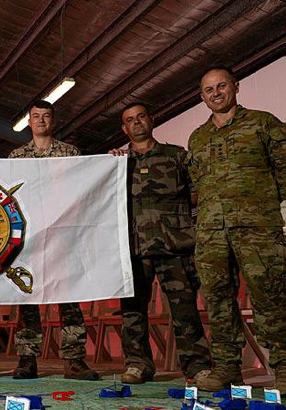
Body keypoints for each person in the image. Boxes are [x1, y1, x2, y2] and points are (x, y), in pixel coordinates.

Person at [186, 67, 286, 392]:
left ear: (235, 87)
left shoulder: (263, 123)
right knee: (217, 300)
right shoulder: (198, 138)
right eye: (208, 90)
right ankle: (228, 367)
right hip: (212, 233)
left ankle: (284, 367)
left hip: (258, 228)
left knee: (271, 295)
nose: (215, 93)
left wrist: (274, 210)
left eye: (221, 86)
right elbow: (194, 183)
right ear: (202, 97)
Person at [109, 103, 212, 384]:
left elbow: (199, 192)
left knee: (184, 309)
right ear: (124, 128)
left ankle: (197, 367)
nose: (137, 122)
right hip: (133, 247)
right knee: (132, 310)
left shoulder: (176, 156)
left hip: (174, 244)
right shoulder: (118, 163)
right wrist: (110, 164)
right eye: (130, 120)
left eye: (141, 116)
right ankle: (137, 365)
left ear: (151, 119)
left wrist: (173, 209)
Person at [7, 100, 99, 381]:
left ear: (53, 120)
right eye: (36, 116)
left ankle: (74, 360)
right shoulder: (15, 157)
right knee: (27, 298)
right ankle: (27, 358)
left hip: (62, 235)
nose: (41, 121)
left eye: (46, 116)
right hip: (29, 237)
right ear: (29, 121)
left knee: (68, 298)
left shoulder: (70, 153)